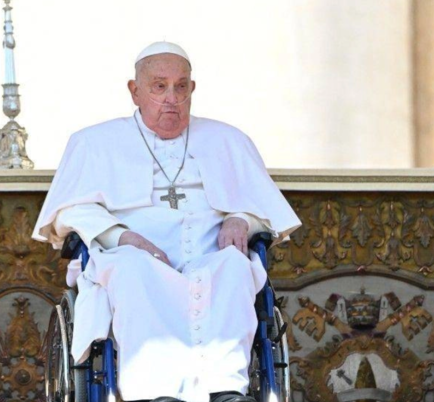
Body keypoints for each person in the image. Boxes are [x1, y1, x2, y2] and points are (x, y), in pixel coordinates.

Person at [32, 42, 302, 402]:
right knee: (131, 270)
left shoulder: (228, 140)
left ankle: (226, 389)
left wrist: (241, 219)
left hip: (210, 255)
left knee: (236, 267)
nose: (172, 97)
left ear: (192, 89)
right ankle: (154, 391)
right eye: (159, 86)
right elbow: (68, 211)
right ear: (135, 91)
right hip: (134, 256)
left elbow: (263, 207)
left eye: (181, 86)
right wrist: (122, 237)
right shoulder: (94, 143)